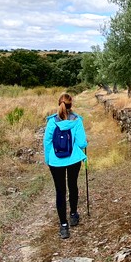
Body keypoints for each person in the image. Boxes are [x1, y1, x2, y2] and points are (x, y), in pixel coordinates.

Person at [43, 92, 88, 239]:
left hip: (56, 161)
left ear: (59, 104)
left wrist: (48, 160)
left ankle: (63, 225)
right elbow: (81, 143)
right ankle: (73, 214)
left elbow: (47, 142)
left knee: (60, 191)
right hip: (74, 159)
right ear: (71, 105)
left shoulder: (51, 122)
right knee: (72, 185)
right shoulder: (77, 120)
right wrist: (84, 143)